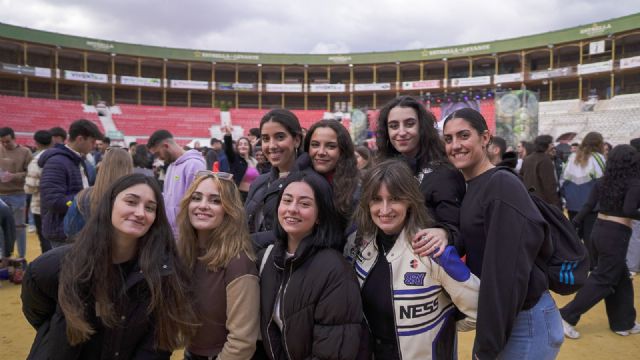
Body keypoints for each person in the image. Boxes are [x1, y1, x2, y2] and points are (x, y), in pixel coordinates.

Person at [21, 173, 198, 359]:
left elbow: (158, 339)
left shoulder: (162, 271)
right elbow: (38, 307)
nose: (140, 213)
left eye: (150, 208)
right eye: (131, 202)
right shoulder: (60, 263)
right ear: (110, 204)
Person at [442, 108, 563, 359]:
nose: (455, 145)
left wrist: (485, 347)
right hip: (511, 317)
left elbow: (506, 274)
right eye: (448, 139)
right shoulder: (474, 185)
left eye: (464, 135)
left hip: (523, 320)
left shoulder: (500, 185)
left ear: (485, 138)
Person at [350, 159, 479, 359]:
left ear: (410, 201)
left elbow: (480, 307)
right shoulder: (358, 244)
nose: (384, 210)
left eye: (394, 199)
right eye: (376, 199)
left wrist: (442, 332)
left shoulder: (433, 250)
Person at [258, 170, 362, 359]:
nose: (292, 209)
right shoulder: (268, 258)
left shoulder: (335, 270)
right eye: (287, 200)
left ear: (320, 215)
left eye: (304, 204)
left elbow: (334, 351)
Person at [560, 144, 640, 339]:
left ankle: (624, 322)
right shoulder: (634, 183)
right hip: (616, 235)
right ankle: (566, 316)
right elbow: (630, 210)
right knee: (603, 279)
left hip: (598, 231)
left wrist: (574, 223)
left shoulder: (603, 182)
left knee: (620, 279)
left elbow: (588, 206)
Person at [177, 171, 259, 359]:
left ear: (229, 210)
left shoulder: (239, 263)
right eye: (196, 198)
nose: (203, 206)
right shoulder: (184, 253)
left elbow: (242, 343)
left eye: (215, 201)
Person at [376, 96, 465, 256]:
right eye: (394, 126)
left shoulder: (444, 173)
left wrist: (444, 233)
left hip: (423, 267)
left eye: (410, 124)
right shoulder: (380, 169)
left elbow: (457, 231)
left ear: (422, 127)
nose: (401, 132)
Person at [245, 109, 303, 250]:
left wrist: (246, 243)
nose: (271, 146)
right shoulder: (259, 182)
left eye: (280, 137)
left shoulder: (309, 184)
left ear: (296, 140)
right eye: (266, 139)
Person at [39, 119, 103, 248]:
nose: (94, 145)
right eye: (92, 141)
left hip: (75, 228)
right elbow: (53, 201)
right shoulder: (57, 162)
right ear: (80, 139)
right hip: (63, 232)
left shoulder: (77, 159)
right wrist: (88, 197)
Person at [303, 120, 359, 234]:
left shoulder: (358, 188)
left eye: (331, 146)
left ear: (343, 151)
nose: (321, 152)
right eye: (315, 145)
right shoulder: (298, 180)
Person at [63, 148, 134, 238]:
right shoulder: (134, 198)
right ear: (130, 167)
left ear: (103, 166)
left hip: (88, 248)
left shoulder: (84, 196)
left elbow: (69, 230)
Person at [148, 129, 206, 238]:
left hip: (186, 234)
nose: (158, 158)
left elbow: (197, 201)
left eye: (157, 153)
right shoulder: (171, 166)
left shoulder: (194, 165)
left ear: (166, 146)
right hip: (171, 232)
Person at [560, 131, 606, 269]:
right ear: (599, 143)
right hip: (592, 204)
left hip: (573, 202)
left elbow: (563, 180)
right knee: (590, 236)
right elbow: (604, 180)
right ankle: (591, 266)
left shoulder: (573, 157)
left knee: (574, 235)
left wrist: (566, 197)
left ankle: (573, 263)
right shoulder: (598, 157)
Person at [0, 127, 33, 259]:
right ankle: (3, 256)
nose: (4, 144)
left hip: (18, 194)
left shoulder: (25, 152)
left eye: (7, 141)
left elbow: (30, 173)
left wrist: (14, 176)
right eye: (2, 142)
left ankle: (21, 256)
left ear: (14, 138)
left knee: (19, 228)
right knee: (1, 229)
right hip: (0, 195)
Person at [24, 130, 53, 253]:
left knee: (45, 239)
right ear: (51, 141)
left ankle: (49, 266)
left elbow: (30, 188)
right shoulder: (61, 156)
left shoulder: (36, 160)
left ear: (36, 143)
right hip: (61, 204)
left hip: (41, 205)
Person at [520, 134, 562, 208]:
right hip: (543, 204)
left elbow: (521, 178)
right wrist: (556, 206)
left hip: (529, 201)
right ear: (546, 145)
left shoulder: (527, 159)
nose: (553, 146)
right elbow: (549, 186)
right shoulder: (545, 160)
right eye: (551, 143)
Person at [221, 126, 259, 202]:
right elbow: (228, 149)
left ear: (249, 147)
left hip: (253, 196)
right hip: (239, 196)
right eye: (240, 144)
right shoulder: (235, 159)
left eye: (245, 144)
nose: (243, 146)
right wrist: (228, 135)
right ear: (237, 147)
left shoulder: (254, 161)